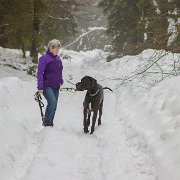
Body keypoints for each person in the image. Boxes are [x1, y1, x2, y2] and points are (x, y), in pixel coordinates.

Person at [37, 39, 63, 127]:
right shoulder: (44, 58)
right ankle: (46, 123)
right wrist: (40, 86)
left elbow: (59, 70)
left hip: (56, 86)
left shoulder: (58, 58)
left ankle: (50, 124)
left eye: (58, 48)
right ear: (51, 48)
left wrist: (61, 80)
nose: (58, 50)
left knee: (54, 105)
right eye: (56, 48)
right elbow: (40, 73)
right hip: (46, 85)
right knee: (52, 102)